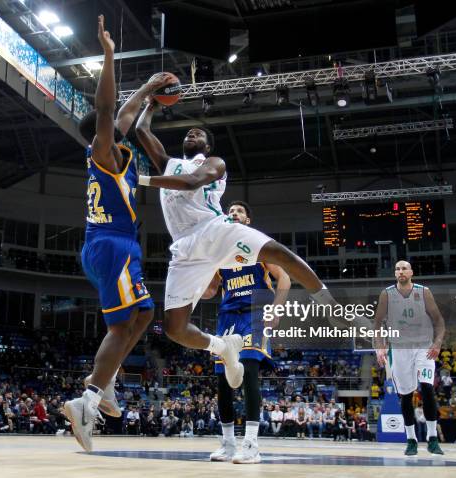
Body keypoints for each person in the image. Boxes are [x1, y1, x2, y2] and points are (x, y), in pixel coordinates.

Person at [135, 77, 348, 404]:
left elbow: (192, 182)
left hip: (215, 230)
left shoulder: (214, 164)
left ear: (206, 147)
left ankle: (327, 303)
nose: (193, 134)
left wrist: (141, 178)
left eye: (200, 134)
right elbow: (141, 133)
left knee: (276, 252)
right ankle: (221, 347)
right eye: (189, 133)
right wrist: (150, 102)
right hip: (185, 248)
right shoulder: (169, 164)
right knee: (175, 329)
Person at [62, 15, 174, 453]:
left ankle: (102, 384)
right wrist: (109, 55)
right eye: (109, 128)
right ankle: (88, 398)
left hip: (110, 245)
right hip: (111, 244)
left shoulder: (116, 154)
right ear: (99, 135)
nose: (118, 128)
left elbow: (122, 115)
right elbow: (109, 110)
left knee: (144, 314)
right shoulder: (102, 152)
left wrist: (147, 89)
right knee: (125, 322)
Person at [203, 201, 290, 464]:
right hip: (228, 316)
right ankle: (228, 444)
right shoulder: (220, 255)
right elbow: (210, 291)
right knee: (223, 382)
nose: (234, 214)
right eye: (230, 212)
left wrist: (277, 310)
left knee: (250, 370)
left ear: (248, 220)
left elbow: (284, 278)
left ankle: (251, 444)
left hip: (256, 312)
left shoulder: (259, 246)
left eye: (239, 211)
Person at [374, 260, 446, 456]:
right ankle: (411, 439)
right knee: (405, 395)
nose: (400, 271)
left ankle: (432, 438)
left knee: (427, 387)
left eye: (404, 268)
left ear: (411, 272)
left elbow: (439, 321)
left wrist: (437, 343)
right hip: (399, 348)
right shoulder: (387, 294)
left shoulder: (424, 292)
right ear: (394, 273)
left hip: (423, 346)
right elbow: (378, 323)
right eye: (397, 269)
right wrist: (379, 347)